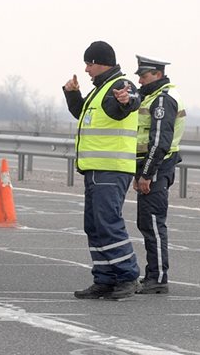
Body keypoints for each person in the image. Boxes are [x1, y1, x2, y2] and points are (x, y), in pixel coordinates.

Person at [62, 41, 142, 300]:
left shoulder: (120, 85)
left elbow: (128, 103)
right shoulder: (101, 90)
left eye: (89, 64)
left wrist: (126, 100)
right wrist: (72, 94)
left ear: (100, 62)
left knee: (108, 223)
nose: (86, 69)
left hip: (112, 168)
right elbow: (83, 115)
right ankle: (105, 279)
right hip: (96, 169)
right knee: (94, 226)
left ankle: (128, 276)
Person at [133, 55, 186, 294]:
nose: (141, 81)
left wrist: (145, 174)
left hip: (157, 166)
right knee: (147, 221)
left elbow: (159, 142)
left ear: (157, 74)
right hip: (153, 165)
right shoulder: (153, 96)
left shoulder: (163, 100)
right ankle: (153, 274)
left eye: (144, 76)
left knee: (153, 222)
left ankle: (158, 278)